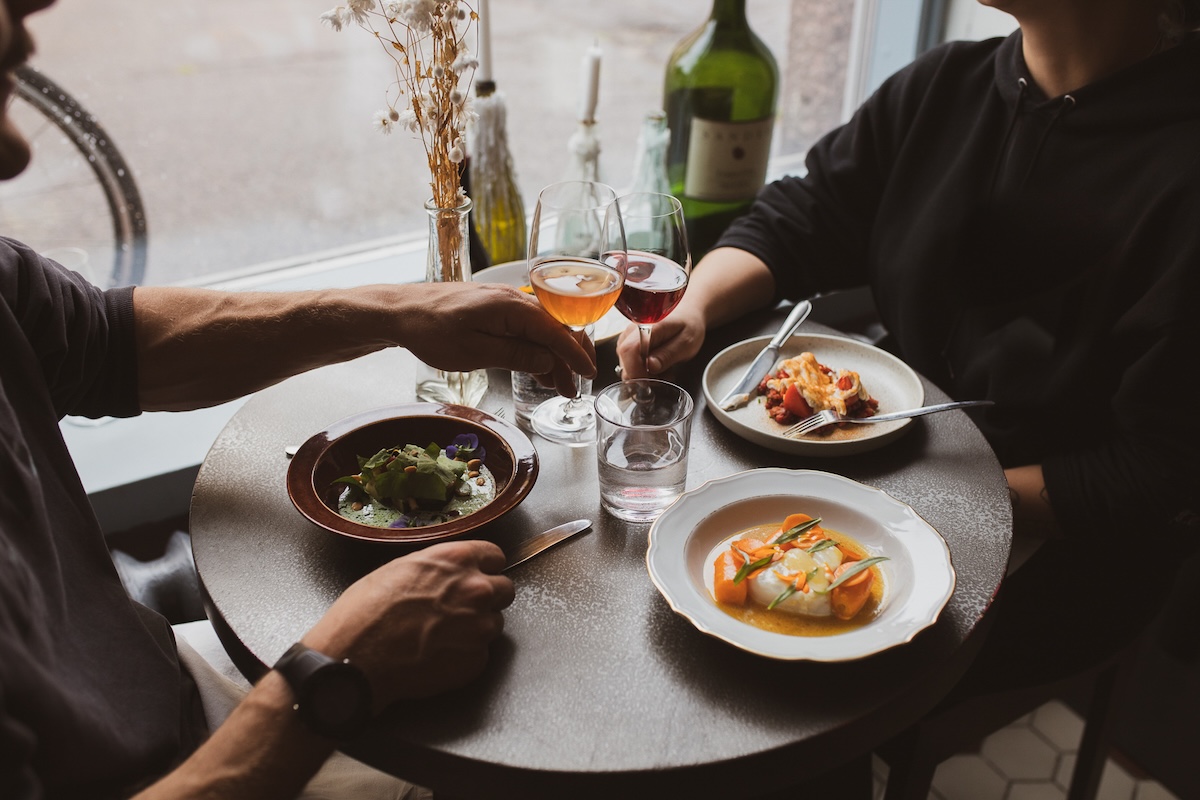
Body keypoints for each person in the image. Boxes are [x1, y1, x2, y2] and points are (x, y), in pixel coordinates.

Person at [0, 1, 596, 798]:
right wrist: (338, 676)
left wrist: (399, 312)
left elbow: (113, 343)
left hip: (174, 695)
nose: (32, 11)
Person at [619, 0, 1200, 692]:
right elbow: (809, 213)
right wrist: (697, 304)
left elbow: (1156, 475)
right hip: (894, 463)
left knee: (775, 691)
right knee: (661, 591)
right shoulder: (945, 84)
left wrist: (904, 508)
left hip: (1059, 542)